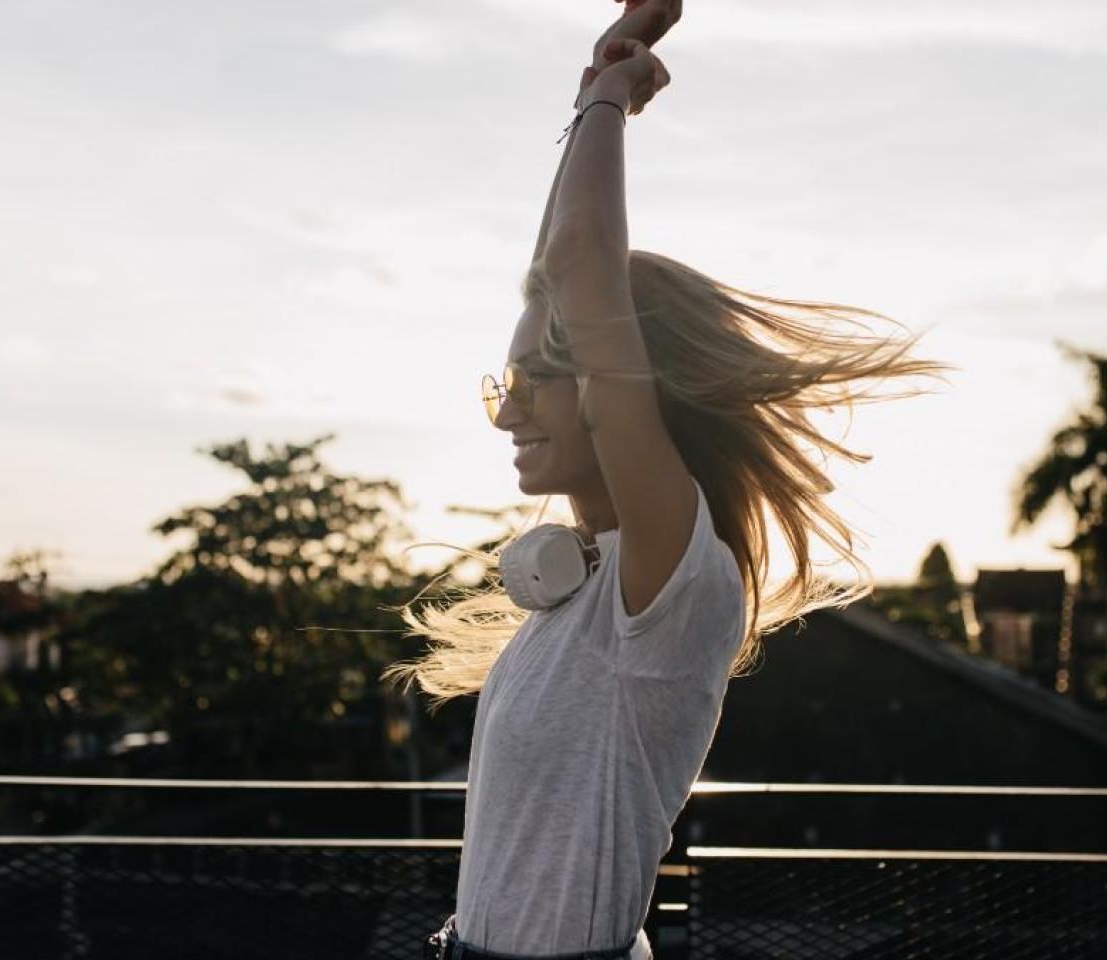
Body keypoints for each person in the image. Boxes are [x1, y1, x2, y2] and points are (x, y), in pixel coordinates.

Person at [383, 2, 946, 956]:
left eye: (533, 382)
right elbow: (556, 274)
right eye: (503, 385)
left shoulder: (670, 585)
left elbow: (577, 267)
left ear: (620, 391)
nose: (508, 412)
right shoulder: (588, 580)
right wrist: (588, 97)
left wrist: (607, 99)